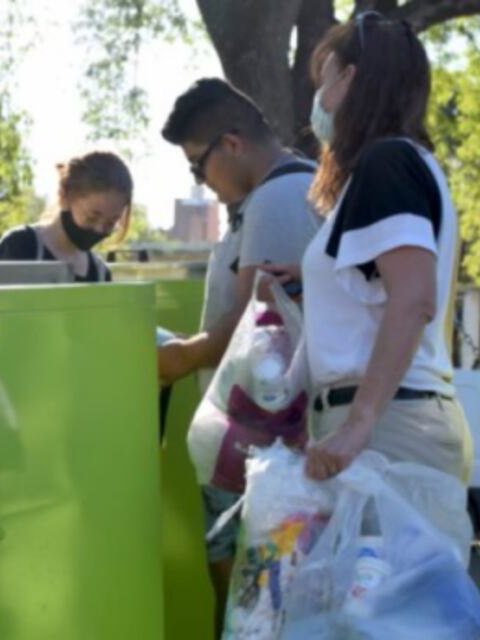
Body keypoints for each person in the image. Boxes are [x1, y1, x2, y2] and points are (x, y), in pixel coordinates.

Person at [267, 12, 474, 485]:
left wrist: (358, 424)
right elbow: (380, 293)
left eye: (324, 79)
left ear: (350, 78)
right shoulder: (395, 165)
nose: (316, 99)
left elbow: (413, 297)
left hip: (385, 428)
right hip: (385, 422)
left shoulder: (388, 162)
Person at [156, 78, 321, 632]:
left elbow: (260, 324)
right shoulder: (270, 197)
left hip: (262, 453)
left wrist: (180, 359)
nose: (199, 183)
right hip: (258, 449)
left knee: (249, 605)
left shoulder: (277, 197)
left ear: (230, 143)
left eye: (196, 165)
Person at [0, 151, 132, 282]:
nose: (99, 229)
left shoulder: (101, 274)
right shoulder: (20, 246)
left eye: (110, 223)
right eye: (91, 218)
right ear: (65, 196)